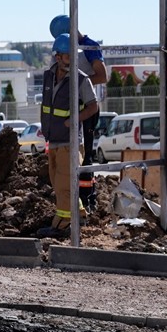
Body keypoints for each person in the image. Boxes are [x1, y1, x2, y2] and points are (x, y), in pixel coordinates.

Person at [38, 33, 99, 239]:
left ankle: (63, 225)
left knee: (64, 186)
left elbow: (93, 106)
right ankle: (79, 215)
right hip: (53, 141)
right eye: (68, 56)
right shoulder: (48, 77)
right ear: (58, 57)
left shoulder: (81, 80)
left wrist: (73, 121)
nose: (72, 60)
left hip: (70, 143)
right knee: (59, 184)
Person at [49, 15, 107, 210]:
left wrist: (79, 83)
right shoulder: (63, 49)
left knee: (85, 156)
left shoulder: (89, 47)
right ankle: (73, 198)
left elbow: (102, 76)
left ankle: (87, 199)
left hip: (87, 110)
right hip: (70, 112)